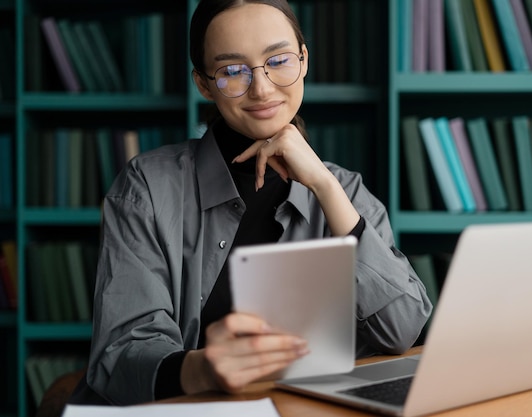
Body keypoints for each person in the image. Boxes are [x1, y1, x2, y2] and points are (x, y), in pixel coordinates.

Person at [70, 0, 432, 406]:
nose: (261, 88)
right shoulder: (148, 187)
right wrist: (203, 368)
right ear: (204, 84)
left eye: (278, 60)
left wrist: (325, 188)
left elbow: (404, 330)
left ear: (304, 59)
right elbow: (118, 354)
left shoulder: (346, 189)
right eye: (231, 71)